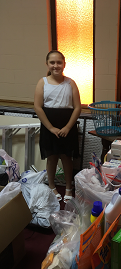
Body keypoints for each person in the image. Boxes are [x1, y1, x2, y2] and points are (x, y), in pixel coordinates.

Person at [34, 50, 81, 202]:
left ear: (64, 64)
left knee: (67, 157)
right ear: (47, 64)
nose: (56, 65)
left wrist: (67, 127)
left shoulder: (71, 83)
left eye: (59, 62)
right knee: (51, 157)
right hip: (49, 126)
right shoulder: (42, 82)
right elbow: (38, 107)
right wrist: (51, 128)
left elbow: (77, 107)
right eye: (52, 62)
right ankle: (52, 186)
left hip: (67, 126)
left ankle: (68, 186)